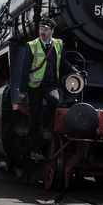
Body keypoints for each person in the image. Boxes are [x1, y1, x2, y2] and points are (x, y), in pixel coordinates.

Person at [18, 17, 78, 161]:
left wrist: (74, 70)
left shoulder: (58, 44)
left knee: (54, 99)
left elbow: (63, 62)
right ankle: (35, 150)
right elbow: (24, 69)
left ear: (52, 31)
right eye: (41, 29)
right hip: (35, 86)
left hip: (51, 84)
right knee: (34, 116)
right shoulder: (32, 46)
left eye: (45, 30)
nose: (42, 32)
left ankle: (44, 126)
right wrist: (22, 90)